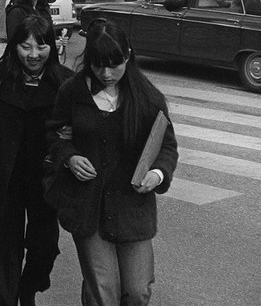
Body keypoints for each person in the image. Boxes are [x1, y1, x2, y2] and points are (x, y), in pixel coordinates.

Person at [47, 20, 178, 306]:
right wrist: (69, 156)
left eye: (114, 65)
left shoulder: (147, 98)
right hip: (87, 207)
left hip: (132, 207)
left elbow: (166, 145)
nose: (106, 74)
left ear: (128, 56)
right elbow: (53, 135)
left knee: (137, 290)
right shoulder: (73, 92)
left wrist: (157, 174)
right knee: (103, 292)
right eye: (98, 65)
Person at [0, 16, 72, 306]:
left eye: (41, 46)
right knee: (5, 250)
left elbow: (78, 123)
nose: (33, 54)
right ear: (15, 47)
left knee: (44, 248)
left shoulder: (64, 81)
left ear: (51, 46)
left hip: (45, 179)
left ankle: (28, 288)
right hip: (6, 176)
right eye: (26, 46)